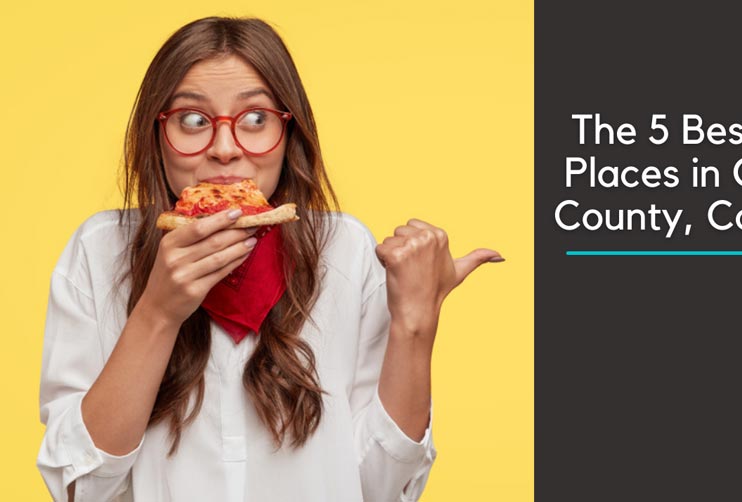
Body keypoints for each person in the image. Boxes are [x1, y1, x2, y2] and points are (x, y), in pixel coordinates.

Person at [36, 17, 502, 502]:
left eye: (255, 118)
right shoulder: (98, 250)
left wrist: (416, 322)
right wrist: (157, 312)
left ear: (289, 131)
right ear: (156, 133)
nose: (223, 149)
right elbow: (79, 489)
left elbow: (378, 489)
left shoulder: (346, 250)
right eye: (193, 121)